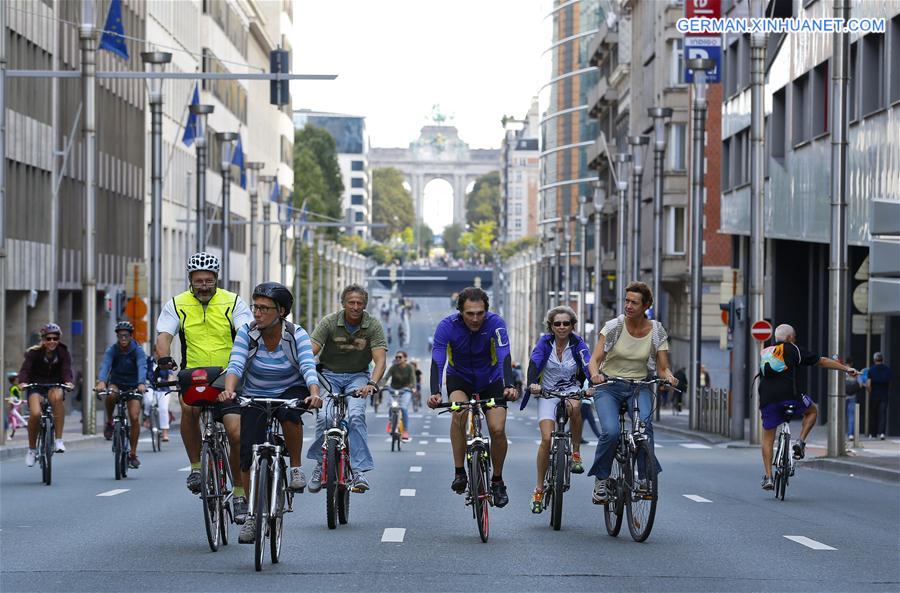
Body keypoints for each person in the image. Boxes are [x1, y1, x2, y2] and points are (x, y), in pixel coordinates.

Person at [219, 283, 322, 544]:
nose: (257, 313)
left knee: (289, 415)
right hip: (254, 393)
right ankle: (253, 517)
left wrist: (314, 392)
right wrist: (230, 390)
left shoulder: (295, 333)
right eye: (255, 307)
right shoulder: (247, 332)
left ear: (281, 312)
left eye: (264, 308)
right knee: (246, 450)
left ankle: (296, 468)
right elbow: (236, 363)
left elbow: (308, 365)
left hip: (290, 387)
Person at [155, 252, 252, 518]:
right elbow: (164, 336)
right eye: (199, 281)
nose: (204, 286)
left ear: (216, 279)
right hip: (193, 373)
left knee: (235, 433)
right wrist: (164, 357)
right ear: (190, 280)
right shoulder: (177, 304)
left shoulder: (233, 302)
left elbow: (246, 334)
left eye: (209, 280)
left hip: (227, 375)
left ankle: (241, 492)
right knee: (189, 410)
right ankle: (197, 468)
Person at [427, 286, 519, 507]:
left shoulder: (496, 323)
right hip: (460, 378)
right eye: (470, 313)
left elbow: (505, 353)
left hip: (491, 379)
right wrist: (435, 392)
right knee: (459, 414)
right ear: (460, 312)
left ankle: (497, 480)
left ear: (486, 311)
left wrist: (509, 385)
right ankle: (460, 472)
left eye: (480, 313)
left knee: (497, 429)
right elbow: (438, 359)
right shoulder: (446, 326)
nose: (476, 318)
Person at [586, 282, 676, 504]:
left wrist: (669, 377)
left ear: (646, 305)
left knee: (645, 427)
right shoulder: (614, 327)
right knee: (611, 431)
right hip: (609, 386)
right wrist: (596, 375)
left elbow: (663, 366)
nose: (628, 305)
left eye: (634, 302)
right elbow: (594, 359)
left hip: (639, 385)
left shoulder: (656, 331)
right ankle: (602, 480)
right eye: (626, 300)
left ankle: (645, 479)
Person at [306, 284, 387, 494]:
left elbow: (380, 360)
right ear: (343, 304)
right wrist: (305, 372)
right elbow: (310, 351)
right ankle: (319, 465)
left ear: (364, 305)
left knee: (356, 415)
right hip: (329, 376)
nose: (355, 306)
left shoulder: (373, 326)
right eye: (351, 302)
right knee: (324, 417)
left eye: (360, 303)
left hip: (358, 377)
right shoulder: (330, 322)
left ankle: (359, 471)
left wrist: (372, 384)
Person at [756, 323, 857, 490]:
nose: (794, 340)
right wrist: (846, 369)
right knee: (812, 411)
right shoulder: (794, 349)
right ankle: (800, 442)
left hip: (767, 399)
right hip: (791, 397)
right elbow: (822, 361)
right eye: (793, 337)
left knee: (767, 439)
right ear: (789, 338)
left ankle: (768, 477)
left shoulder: (767, 351)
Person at [523, 306, 591, 513]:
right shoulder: (545, 343)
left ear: (572, 326)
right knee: (546, 440)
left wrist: (593, 384)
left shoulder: (578, 344)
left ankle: (576, 453)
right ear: (551, 326)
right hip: (547, 393)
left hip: (571, 390)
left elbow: (588, 364)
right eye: (557, 324)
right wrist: (533, 383)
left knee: (577, 407)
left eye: (566, 323)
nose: (562, 327)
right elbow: (534, 363)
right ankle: (539, 488)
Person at [18, 323, 74, 466]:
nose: (52, 341)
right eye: (48, 338)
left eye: (55, 338)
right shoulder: (33, 353)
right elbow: (25, 369)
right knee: (35, 414)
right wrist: (23, 382)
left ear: (58, 339)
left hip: (54, 385)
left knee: (57, 397)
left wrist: (68, 382)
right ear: (43, 339)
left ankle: (59, 440)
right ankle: (32, 450)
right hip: (36, 387)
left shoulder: (63, 352)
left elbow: (66, 369)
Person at [96, 321, 147, 469]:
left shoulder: (137, 350)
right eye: (120, 336)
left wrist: (141, 383)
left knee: (134, 416)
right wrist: (101, 381)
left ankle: (132, 454)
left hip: (134, 385)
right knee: (111, 394)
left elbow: (141, 366)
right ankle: (110, 422)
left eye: (126, 335)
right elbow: (105, 365)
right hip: (117, 383)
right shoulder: (112, 350)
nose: (123, 338)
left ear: (131, 336)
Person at [380, 350, 416, 441]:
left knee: (403, 408)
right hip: (393, 390)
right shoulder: (393, 367)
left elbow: (413, 379)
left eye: (400, 357)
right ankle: (391, 422)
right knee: (391, 406)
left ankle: (405, 430)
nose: (398, 359)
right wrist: (381, 385)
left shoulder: (409, 367)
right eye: (396, 357)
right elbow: (386, 377)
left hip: (406, 390)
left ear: (405, 359)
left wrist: (413, 387)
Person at [867, 352, 892, 440]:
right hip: (884, 394)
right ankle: (882, 433)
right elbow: (889, 382)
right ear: (882, 359)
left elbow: (869, 383)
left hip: (874, 394)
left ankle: (872, 433)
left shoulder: (871, 370)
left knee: (873, 414)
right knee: (883, 414)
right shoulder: (887, 369)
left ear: (874, 360)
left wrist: (869, 392)